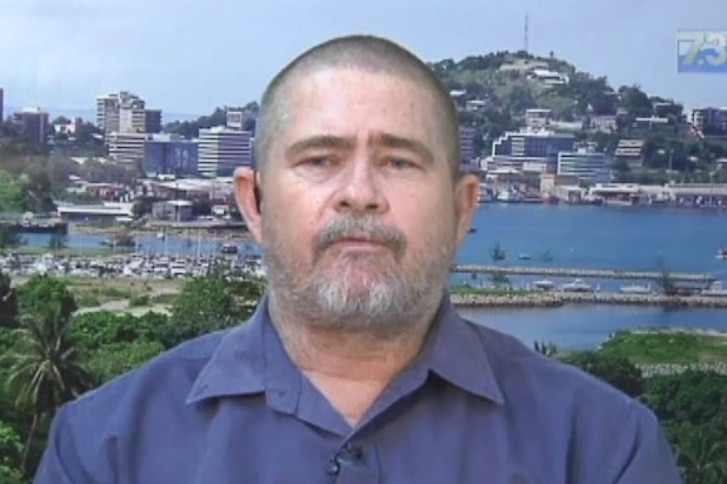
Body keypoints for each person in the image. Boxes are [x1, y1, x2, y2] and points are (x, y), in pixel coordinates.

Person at [35, 34, 683, 483]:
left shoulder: (600, 449)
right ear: (254, 203)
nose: (360, 193)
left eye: (399, 161)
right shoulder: (106, 448)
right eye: (319, 160)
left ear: (463, 209)